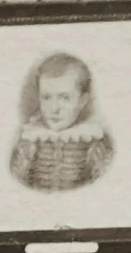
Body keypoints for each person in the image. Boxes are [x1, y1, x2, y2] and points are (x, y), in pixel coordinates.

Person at [9, 52, 113, 193]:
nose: (54, 108)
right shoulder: (30, 139)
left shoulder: (95, 141)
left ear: (82, 101)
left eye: (64, 98)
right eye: (46, 97)